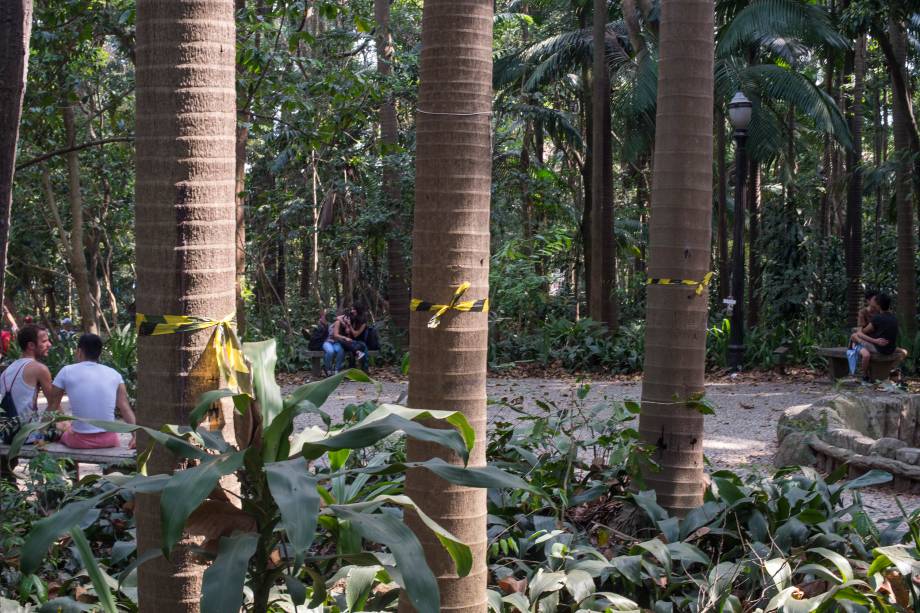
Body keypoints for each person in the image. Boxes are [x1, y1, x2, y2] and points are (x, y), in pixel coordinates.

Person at [47, 333, 136, 449]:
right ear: (99, 353)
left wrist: (39, 431)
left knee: (63, 429)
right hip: (109, 439)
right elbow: (125, 408)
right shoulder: (115, 374)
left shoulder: (66, 371)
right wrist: (136, 435)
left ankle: (73, 467)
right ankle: (109, 468)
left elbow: (53, 405)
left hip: (79, 440)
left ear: (79, 351)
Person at [0, 325, 54, 449]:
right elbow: (54, 405)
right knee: (67, 430)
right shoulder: (39, 368)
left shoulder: (8, 369)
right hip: (27, 436)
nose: (49, 344)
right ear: (31, 345)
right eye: (44, 341)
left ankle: (5, 467)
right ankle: (69, 468)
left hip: (6, 435)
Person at [850, 292, 899, 382]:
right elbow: (861, 331)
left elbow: (863, 332)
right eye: (874, 299)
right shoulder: (864, 312)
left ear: (878, 305)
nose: (876, 301)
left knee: (855, 336)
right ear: (868, 301)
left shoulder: (879, 315)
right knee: (864, 351)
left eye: (877, 300)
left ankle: (888, 371)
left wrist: (875, 339)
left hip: (876, 344)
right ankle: (866, 374)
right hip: (879, 344)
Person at [322, 310, 348, 375]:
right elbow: (338, 318)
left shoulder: (347, 324)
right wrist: (342, 321)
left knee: (341, 351)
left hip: (336, 342)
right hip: (327, 341)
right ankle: (327, 368)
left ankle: (337, 369)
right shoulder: (337, 322)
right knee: (330, 351)